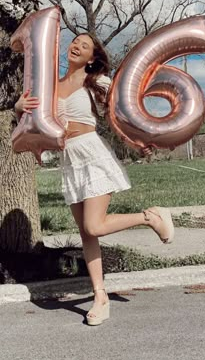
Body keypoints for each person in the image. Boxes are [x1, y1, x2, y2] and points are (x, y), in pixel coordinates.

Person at [14, 33, 174, 326]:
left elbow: (123, 114)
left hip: (92, 153)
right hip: (69, 160)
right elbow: (34, 120)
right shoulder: (50, 86)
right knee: (87, 234)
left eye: (85, 46)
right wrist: (18, 108)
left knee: (93, 225)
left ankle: (150, 217)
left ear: (92, 58)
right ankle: (100, 297)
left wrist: (140, 141)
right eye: (75, 42)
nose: (77, 46)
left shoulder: (98, 83)